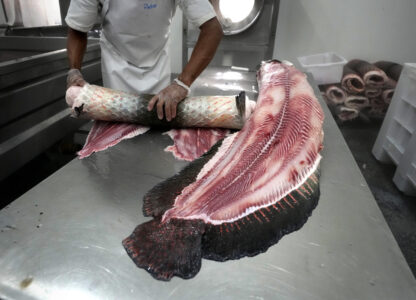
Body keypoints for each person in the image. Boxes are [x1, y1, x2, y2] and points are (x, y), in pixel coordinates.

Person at [65, 0, 223, 121]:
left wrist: (183, 83)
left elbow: (212, 28)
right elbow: (78, 28)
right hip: (116, 63)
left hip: (157, 62)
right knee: (117, 127)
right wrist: (74, 70)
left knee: (159, 120)